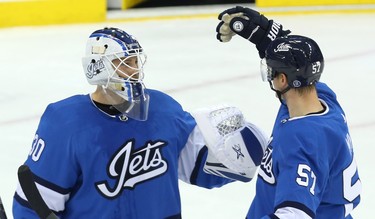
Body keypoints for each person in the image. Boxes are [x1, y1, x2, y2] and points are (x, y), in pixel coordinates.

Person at [12, 27, 267, 218]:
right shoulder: (65, 122)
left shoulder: (163, 110)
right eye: (124, 63)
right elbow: (34, 203)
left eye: (135, 61)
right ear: (97, 67)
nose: (134, 70)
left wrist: (242, 153)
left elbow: (199, 169)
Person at [215, 6, 362, 219]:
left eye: (272, 72)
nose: (270, 77)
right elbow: (298, 66)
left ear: (283, 80)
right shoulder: (323, 100)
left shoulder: (300, 141)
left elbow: (294, 214)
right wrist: (268, 36)